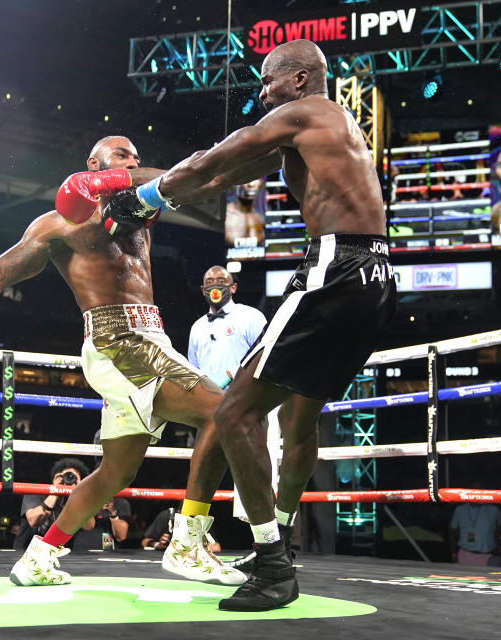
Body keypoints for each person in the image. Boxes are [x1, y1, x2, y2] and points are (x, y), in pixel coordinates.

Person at [102, 39, 398, 610]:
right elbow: (216, 179)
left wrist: (140, 198)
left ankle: (270, 565)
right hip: (376, 277)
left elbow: (214, 157)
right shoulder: (320, 128)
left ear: (298, 80)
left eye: (267, 81)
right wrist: (130, 188)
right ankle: (280, 541)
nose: (261, 93)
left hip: (337, 266)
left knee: (234, 410)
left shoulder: (303, 112)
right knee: (300, 413)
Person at [0, 136, 244, 586]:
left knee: (115, 472)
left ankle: (38, 556)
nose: (134, 162)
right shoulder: (56, 226)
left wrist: (116, 178)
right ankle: (187, 545)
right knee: (224, 411)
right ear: (92, 162)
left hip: (150, 337)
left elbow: (179, 181)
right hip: (118, 341)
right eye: (121, 156)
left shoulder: (136, 205)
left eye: (135, 157)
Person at [188, 265, 267, 392]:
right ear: (203, 290)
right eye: (209, 282)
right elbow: (193, 368)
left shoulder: (252, 317)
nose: (215, 286)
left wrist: (231, 374)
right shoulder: (197, 327)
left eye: (221, 281)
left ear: (233, 288)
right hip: (207, 400)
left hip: (243, 396)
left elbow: (263, 356)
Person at [15, 458, 94, 551]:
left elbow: (89, 526)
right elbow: (33, 521)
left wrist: (78, 490)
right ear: (57, 477)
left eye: (73, 478)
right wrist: (56, 490)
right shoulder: (37, 492)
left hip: (59, 553)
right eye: (66, 476)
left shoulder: (77, 502)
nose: (69, 480)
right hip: (27, 550)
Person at [449, 492, 501, 565]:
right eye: (473, 490)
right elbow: (452, 531)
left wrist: (500, 549)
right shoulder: (460, 509)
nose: (476, 494)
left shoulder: (493, 509)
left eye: (478, 490)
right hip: (465, 554)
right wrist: (454, 553)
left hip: (488, 555)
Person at [142, 506, 222, 553]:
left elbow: (216, 547)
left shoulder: (200, 519)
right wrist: (157, 544)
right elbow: (144, 542)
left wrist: (186, 546)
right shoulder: (167, 515)